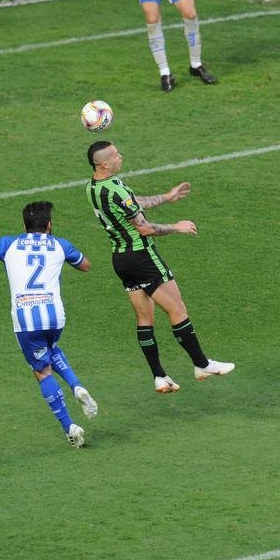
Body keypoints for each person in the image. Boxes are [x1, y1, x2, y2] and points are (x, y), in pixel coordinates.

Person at [86, 140, 234, 392]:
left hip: (121, 260)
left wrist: (167, 197)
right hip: (142, 257)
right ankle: (202, 364)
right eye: (116, 155)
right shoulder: (115, 189)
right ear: (105, 164)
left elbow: (132, 203)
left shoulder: (94, 187)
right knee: (177, 310)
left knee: (144, 317)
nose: (121, 157)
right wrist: (177, 227)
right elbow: (143, 228)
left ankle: (159, 376)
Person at [0, 201, 98, 448]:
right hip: (55, 316)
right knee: (50, 348)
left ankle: (70, 428)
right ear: (49, 224)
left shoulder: (9, 244)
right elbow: (85, 265)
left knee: (42, 371)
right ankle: (76, 385)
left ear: (24, 225)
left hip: (26, 320)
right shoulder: (60, 244)